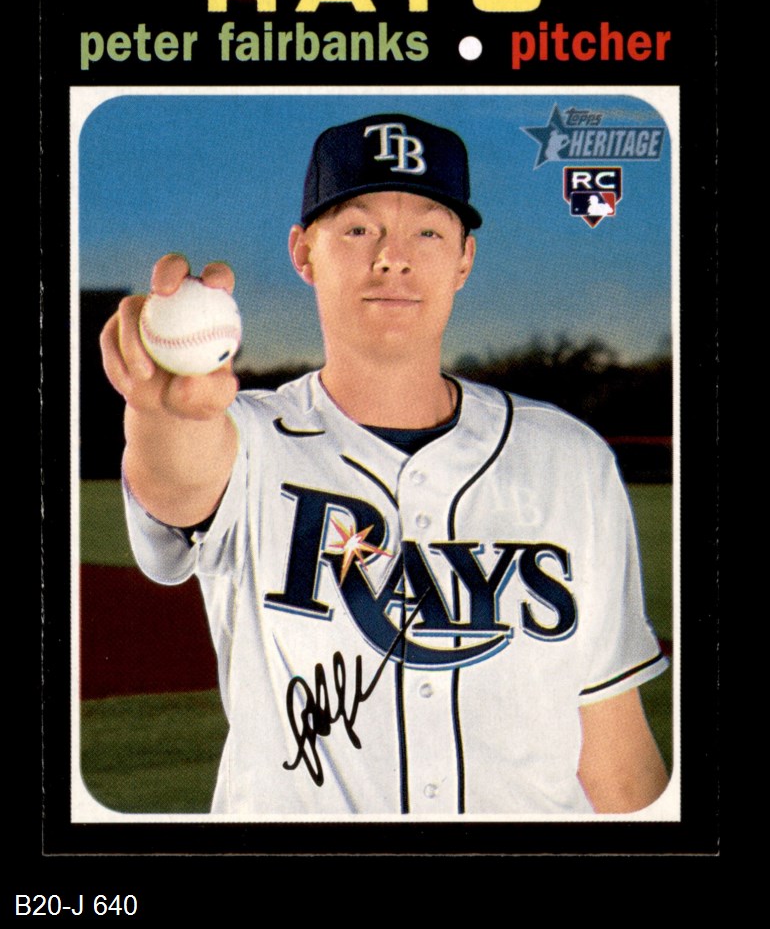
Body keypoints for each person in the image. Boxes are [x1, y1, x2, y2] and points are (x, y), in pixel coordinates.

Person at [100, 113, 669, 816]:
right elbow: (180, 476)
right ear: (303, 253)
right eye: (357, 229)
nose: (392, 258)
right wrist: (163, 410)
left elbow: (614, 754)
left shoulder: (569, 461)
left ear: (464, 259)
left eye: (427, 233)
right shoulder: (246, 440)